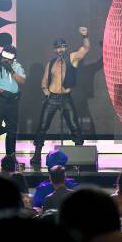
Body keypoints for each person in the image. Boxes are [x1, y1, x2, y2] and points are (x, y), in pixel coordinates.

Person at [31, 28, 90, 165]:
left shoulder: (72, 58)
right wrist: (45, 90)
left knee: (74, 126)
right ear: (54, 50)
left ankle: (79, 153)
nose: (61, 49)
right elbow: (44, 80)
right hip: (52, 98)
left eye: (63, 47)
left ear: (66, 47)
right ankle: (37, 154)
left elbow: (85, 49)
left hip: (66, 97)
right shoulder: (51, 63)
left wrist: (85, 36)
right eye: (58, 47)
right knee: (42, 126)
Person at [0, 45, 26, 156]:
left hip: (13, 102)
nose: (6, 59)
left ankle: (10, 156)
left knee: (12, 130)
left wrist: (11, 71)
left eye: (9, 57)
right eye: (5, 56)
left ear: (13, 57)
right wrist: (1, 91)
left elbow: (22, 81)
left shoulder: (17, 66)